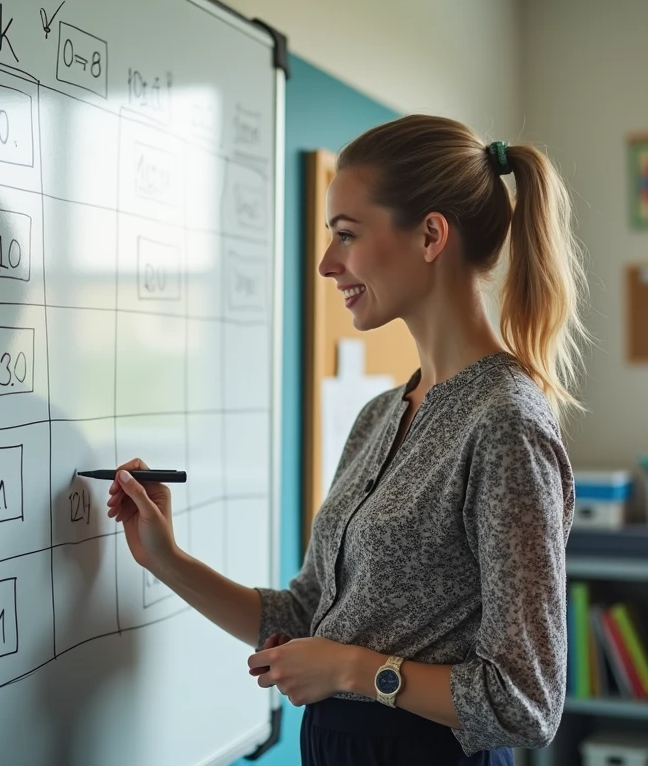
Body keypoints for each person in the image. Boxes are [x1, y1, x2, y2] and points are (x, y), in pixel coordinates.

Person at [107, 114, 586, 765]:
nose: (328, 264)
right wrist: (166, 559)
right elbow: (308, 614)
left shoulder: (506, 423)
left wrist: (352, 671)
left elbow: (524, 703)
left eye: (346, 236)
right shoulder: (382, 414)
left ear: (430, 235)